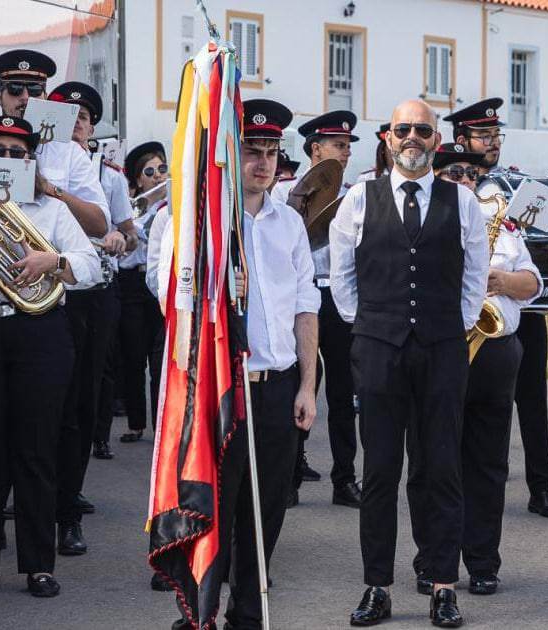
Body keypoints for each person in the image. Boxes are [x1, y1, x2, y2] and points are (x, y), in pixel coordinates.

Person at [333, 99, 489, 627]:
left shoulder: (462, 201)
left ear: (436, 138)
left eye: (423, 129)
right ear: (388, 137)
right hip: (378, 347)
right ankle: (377, 586)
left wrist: (450, 325)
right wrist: (376, 324)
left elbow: (474, 278)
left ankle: (444, 585)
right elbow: (342, 282)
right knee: (379, 470)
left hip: (443, 347)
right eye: (404, 129)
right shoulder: (359, 198)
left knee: (441, 466)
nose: (413, 138)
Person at [0, 116, 101, 600]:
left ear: (30, 160)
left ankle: (37, 564)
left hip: (40, 331)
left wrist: (51, 261)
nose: (8, 160)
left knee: (35, 449)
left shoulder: (51, 210)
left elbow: (94, 266)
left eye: (17, 153)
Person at [204, 97, 320, 630]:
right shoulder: (202, 221)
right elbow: (172, 299)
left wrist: (307, 387)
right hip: (224, 384)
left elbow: (305, 306)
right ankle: (200, 614)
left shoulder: (289, 222)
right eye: (253, 150)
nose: (264, 162)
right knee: (214, 509)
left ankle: (246, 615)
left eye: (272, 152)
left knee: (265, 508)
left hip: (277, 385)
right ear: (233, 154)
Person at [415, 138, 541, 597]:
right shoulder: (425, 222)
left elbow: (533, 282)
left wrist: (502, 280)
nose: (465, 180)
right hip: (443, 350)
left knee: (489, 464)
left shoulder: (502, 226)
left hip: (494, 350)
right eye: (454, 173)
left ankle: (483, 561)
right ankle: (431, 559)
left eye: (471, 173)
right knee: (434, 460)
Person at [448, 97, 548, 520]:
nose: (492, 143)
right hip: (466, 318)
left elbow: (545, 236)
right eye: (483, 136)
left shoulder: (514, 185)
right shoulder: (451, 183)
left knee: (533, 400)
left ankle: (542, 486)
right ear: (461, 139)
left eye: (496, 135)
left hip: (516, 306)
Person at [43, 81, 128, 557]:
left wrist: (118, 239)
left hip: (85, 291)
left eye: (83, 117)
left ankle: (67, 507)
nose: (76, 123)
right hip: (34, 290)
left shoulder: (107, 174)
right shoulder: (35, 151)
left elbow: (116, 229)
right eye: (66, 114)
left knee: (78, 406)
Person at [272, 109, 362, 508]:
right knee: (301, 383)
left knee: (344, 390)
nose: (345, 153)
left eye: (347, 147)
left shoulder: (355, 194)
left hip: (337, 294)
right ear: (315, 149)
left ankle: (345, 479)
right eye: (338, 146)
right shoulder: (281, 192)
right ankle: (289, 474)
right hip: (300, 296)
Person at [0, 50, 108, 238]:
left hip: (53, 260)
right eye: (15, 89)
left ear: (45, 96)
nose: (26, 97)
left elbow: (100, 225)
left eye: (35, 90)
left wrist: (48, 188)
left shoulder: (70, 151)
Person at [115, 141, 168, 447]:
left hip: (159, 285)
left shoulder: (171, 204)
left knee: (160, 359)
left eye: (162, 168)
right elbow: (128, 242)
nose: (159, 176)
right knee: (134, 357)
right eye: (150, 171)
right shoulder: (130, 209)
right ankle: (136, 423)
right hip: (132, 286)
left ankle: (163, 423)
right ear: (138, 180)